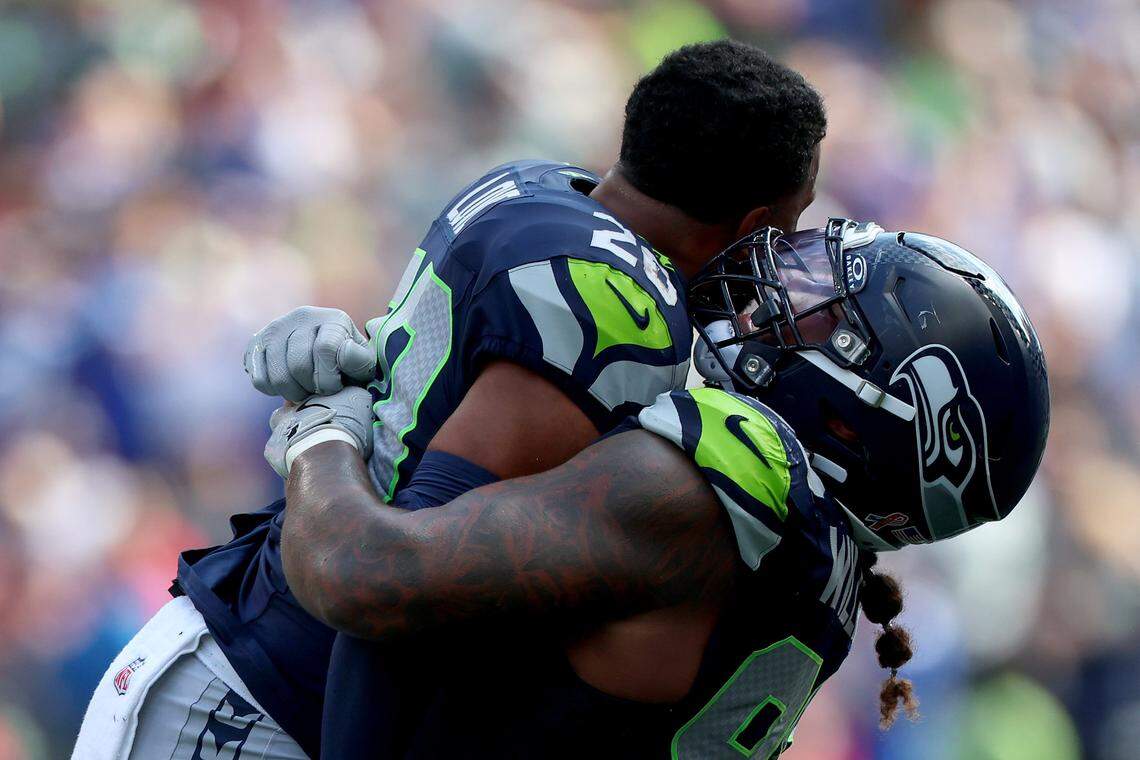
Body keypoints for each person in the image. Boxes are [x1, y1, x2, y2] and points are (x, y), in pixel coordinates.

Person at [72, 40, 827, 759]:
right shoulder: (615, 301)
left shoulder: (541, 187)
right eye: (790, 225)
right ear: (753, 223)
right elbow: (393, 593)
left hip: (249, 665)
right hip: (265, 705)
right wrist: (319, 437)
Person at [278, 219, 1050, 758]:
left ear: (877, 412)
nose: (774, 295)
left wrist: (322, 429)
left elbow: (364, 575)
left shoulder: (736, 476)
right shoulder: (815, 563)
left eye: (827, 312)